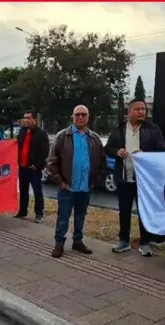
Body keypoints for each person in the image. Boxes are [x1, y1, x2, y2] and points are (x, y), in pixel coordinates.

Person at [105, 98, 165, 257]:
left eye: (144, 109)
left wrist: (146, 155)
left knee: (144, 211)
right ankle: (123, 240)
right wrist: (116, 152)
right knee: (124, 211)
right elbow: (108, 148)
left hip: (144, 180)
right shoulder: (119, 129)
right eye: (138, 109)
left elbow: (162, 152)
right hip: (124, 178)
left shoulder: (153, 130)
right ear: (129, 112)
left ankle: (145, 242)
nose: (142, 112)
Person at [46, 105, 106, 258]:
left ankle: (77, 242)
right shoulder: (62, 136)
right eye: (77, 114)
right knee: (63, 217)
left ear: (88, 117)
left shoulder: (94, 138)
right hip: (67, 188)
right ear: (72, 117)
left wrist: (95, 181)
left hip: (85, 188)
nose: (80, 117)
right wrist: (61, 183)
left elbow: (102, 163)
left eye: (83, 115)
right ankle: (59, 244)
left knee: (80, 216)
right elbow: (51, 163)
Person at [15, 110, 49, 223]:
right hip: (22, 167)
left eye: (28, 118)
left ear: (35, 119)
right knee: (23, 190)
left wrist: (37, 165)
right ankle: (22, 211)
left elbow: (45, 152)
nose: (26, 120)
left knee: (37, 191)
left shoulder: (41, 134)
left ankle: (39, 214)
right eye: (25, 118)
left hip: (34, 169)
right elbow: (18, 146)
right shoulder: (22, 131)